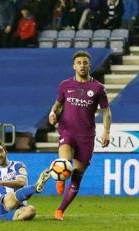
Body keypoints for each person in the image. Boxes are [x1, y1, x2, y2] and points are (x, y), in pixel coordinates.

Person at [47, 50, 112, 220]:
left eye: (85, 62)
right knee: (64, 163)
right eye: (79, 63)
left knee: (77, 177)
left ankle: (60, 210)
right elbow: (57, 105)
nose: (82, 65)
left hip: (86, 136)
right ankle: (60, 178)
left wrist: (106, 131)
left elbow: (106, 112)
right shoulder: (65, 85)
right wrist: (52, 113)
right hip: (67, 131)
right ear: (74, 66)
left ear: (89, 65)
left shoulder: (98, 88)